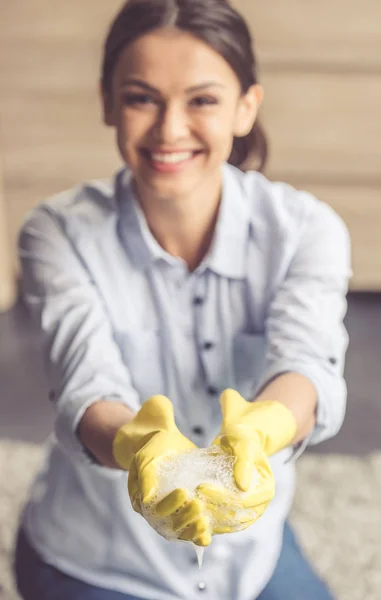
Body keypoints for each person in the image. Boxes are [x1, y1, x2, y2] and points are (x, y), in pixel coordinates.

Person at [13, 0, 352, 598]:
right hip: (96, 557)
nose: (170, 129)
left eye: (202, 100)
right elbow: (83, 382)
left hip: (251, 554)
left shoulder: (306, 229)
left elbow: (308, 364)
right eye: (142, 97)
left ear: (246, 107)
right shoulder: (56, 232)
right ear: (107, 103)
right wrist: (140, 443)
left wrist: (263, 428)